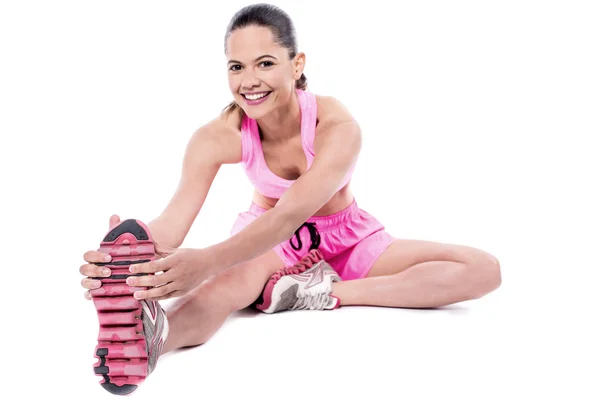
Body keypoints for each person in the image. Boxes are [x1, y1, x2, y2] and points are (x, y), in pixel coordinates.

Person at [79, 3, 502, 395]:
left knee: (482, 270)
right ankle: (158, 336)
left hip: (347, 238)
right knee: (226, 286)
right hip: (269, 243)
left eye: (265, 63)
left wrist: (207, 260)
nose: (249, 81)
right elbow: (177, 222)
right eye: (236, 67)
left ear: (296, 64)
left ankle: (316, 293)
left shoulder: (337, 126)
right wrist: (135, 256)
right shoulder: (217, 136)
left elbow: (292, 212)